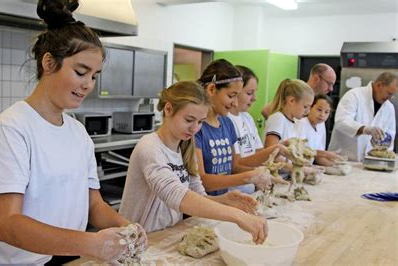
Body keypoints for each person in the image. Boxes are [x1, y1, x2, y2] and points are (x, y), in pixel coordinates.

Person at [0, 1, 147, 264]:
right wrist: (92, 243)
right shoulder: (11, 129)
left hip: (67, 257)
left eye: (94, 76)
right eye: (81, 72)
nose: (88, 85)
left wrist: (128, 228)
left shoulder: (79, 134)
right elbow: (6, 224)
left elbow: (94, 206)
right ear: (48, 63)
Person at [119, 81, 268, 244]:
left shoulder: (186, 146)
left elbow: (197, 197)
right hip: (136, 241)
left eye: (200, 121)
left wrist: (223, 200)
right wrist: (238, 217)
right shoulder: (149, 147)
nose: (195, 129)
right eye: (189, 120)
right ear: (168, 109)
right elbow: (176, 196)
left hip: (163, 237)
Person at [194, 59, 273, 196]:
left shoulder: (227, 123)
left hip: (224, 202)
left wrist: (262, 173)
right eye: (231, 96)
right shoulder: (196, 128)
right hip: (203, 206)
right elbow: (201, 180)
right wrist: (249, 177)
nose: (235, 103)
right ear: (212, 89)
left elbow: (233, 166)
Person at [228, 65, 291, 172]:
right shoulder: (227, 120)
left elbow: (260, 154)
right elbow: (236, 165)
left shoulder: (247, 118)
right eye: (249, 93)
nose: (254, 98)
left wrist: (277, 151)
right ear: (235, 91)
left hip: (252, 184)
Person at [328, 72, 397, 162]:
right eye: (389, 93)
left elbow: (390, 135)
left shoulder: (389, 108)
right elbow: (341, 121)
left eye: (392, 95)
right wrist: (364, 129)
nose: (389, 98)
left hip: (370, 162)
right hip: (342, 160)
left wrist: (385, 156)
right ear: (379, 85)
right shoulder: (354, 95)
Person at [261, 63, 336, 119]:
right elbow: (266, 111)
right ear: (316, 78)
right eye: (329, 83)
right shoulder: (296, 92)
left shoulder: (320, 100)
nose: (331, 89)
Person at [300, 94, 343, 166]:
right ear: (310, 107)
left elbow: (318, 157)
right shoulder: (301, 123)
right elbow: (302, 152)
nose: (322, 115)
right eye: (319, 110)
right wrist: (326, 154)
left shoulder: (321, 125)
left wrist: (333, 165)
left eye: (326, 112)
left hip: (313, 165)